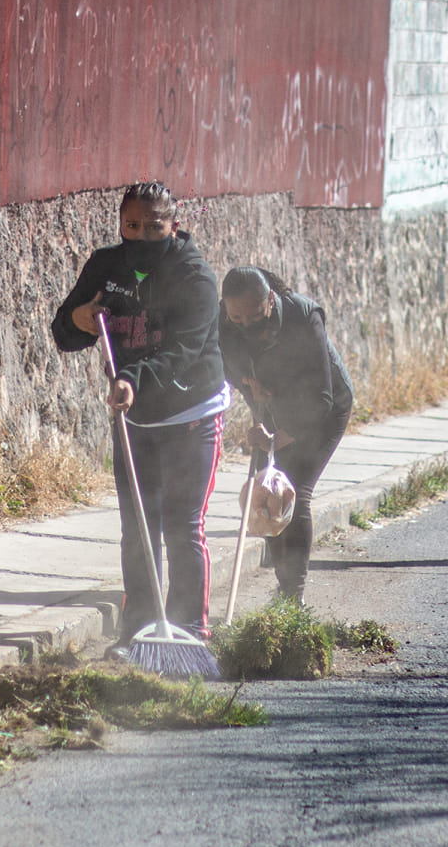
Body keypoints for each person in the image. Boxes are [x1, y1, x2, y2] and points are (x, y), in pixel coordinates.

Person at [50, 181, 227, 637]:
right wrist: (78, 319)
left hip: (192, 414)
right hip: (134, 417)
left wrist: (131, 379)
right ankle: (142, 629)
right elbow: (65, 332)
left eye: (154, 227)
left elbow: (183, 352)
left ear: (174, 224)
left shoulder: (195, 277)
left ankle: (189, 629)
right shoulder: (106, 266)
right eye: (132, 225)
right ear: (120, 224)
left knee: (182, 526)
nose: (142, 236)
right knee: (138, 528)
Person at [219, 266, 354, 602]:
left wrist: (279, 437)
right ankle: (283, 585)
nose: (245, 325)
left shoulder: (303, 315)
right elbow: (230, 365)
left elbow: (321, 397)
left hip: (323, 409)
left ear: (270, 299)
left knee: (293, 491)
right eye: (236, 317)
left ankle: (293, 597)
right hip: (272, 406)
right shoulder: (227, 320)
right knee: (264, 495)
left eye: (253, 316)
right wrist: (253, 389)